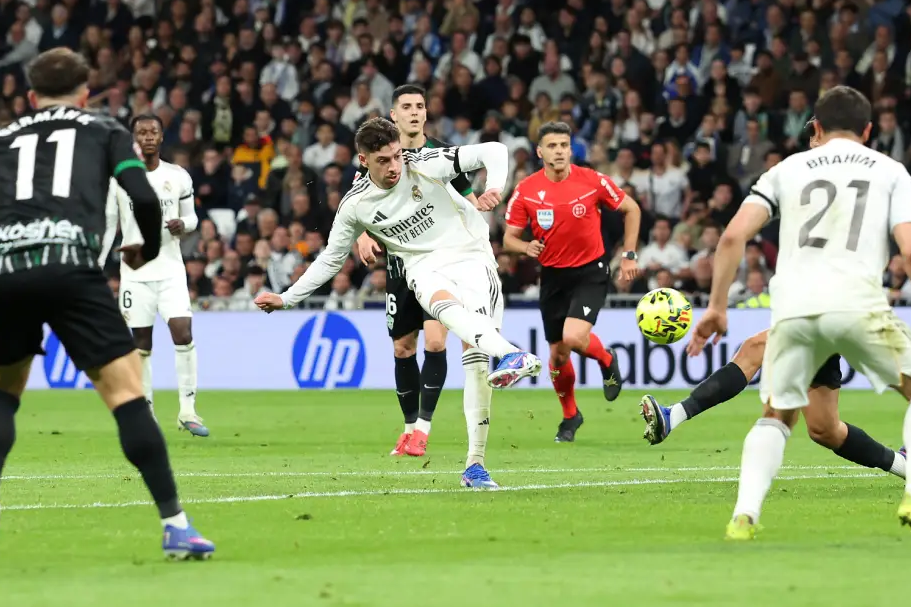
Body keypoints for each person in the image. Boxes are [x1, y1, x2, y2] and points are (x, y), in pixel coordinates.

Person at [640, 117, 911, 485]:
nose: (814, 140)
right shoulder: (795, 176)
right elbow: (732, 236)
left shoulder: (885, 176)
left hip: (851, 305)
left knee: (758, 351)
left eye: (818, 131)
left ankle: (673, 418)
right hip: (820, 304)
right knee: (825, 429)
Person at [0, 48, 213, 561]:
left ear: (30, 95)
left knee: (1, 393)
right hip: (70, 264)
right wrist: (147, 248)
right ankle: (175, 524)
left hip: (5, 270)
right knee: (128, 395)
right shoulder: (105, 131)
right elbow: (145, 198)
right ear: (86, 93)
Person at [688, 86, 911, 540]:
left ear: (816, 127)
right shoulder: (890, 172)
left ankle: (744, 516)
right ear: (867, 130)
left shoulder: (784, 170)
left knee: (777, 415)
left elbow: (730, 238)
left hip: (795, 311)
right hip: (858, 306)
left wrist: (717, 307)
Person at [255, 118, 543, 489]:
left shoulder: (423, 162)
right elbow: (330, 259)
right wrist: (287, 298)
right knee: (437, 302)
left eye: (396, 156)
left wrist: (494, 186)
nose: (394, 167)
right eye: (383, 161)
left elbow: (495, 150)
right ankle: (511, 354)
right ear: (363, 160)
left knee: (474, 360)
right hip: (423, 268)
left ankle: (475, 463)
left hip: (471, 253)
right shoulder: (356, 205)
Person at [351, 84, 478, 458]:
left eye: (419, 106)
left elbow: (469, 201)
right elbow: (357, 202)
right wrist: (360, 235)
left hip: (438, 266)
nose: (414, 112)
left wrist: (478, 209)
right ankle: (408, 429)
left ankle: (423, 428)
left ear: (426, 112)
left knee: (436, 341)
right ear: (394, 114)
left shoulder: (441, 154)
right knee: (403, 347)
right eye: (406, 106)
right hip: (398, 266)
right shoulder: (378, 153)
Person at [503, 121, 641, 441]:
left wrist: (630, 255)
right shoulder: (526, 189)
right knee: (558, 355)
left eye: (564, 145)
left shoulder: (592, 181)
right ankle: (571, 417)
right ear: (540, 152)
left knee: (575, 337)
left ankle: (607, 360)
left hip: (590, 271)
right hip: (552, 277)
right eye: (552, 146)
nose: (560, 151)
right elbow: (509, 238)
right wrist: (526, 247)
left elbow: (631, 209)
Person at [99, 114, 208, 437]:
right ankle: (146, 413)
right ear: (134, 139)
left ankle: (188, 410)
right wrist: (95, 266)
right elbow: (108, 227)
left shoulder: (177, 176)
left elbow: (192, 219)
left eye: (153, 132)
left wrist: (183, 225)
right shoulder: (118, 180)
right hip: (135, 273)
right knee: (140, 343)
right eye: (142, 132)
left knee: (182, 331)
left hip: (171, 269)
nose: (148, 137)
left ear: (162, 138)